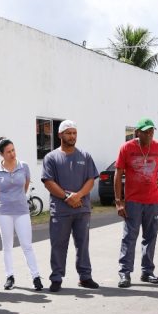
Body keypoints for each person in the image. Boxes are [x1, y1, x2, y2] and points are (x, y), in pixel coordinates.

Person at [113, 118, 158, 288]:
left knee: (150, 237)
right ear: (137, 132)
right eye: (146, 131)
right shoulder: (127, 148)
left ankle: (147, 272)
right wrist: (119, 201)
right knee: (129, 238)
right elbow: (118, 175)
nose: (150, 134)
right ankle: (124, 273)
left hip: (153, 201)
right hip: (133, 201)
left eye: (152, 131)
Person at [41, 120, 99, 291]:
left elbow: (90, 179)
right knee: (58, 244)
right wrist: (68, 197)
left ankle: (85, 277)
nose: (72, 136)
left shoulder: (85, 156)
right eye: (68, 133)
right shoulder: (51, 157)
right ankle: (56, 278)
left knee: (82, 244)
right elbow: (48, 182)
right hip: (60, 210)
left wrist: (78, 195)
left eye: (74, 133)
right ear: (60, 135)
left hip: (82, 208)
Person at [0, 137, 42, 290]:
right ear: (1, 154)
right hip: (3, 211)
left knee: (27, 245)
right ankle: (10, 276)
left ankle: (36, 276)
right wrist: (5, 200)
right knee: (7, 246)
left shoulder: (23, 166)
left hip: (21, 210)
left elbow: (25, 186)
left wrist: (16, 199)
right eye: (8, 152)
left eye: (13, 150)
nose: (12, 154)